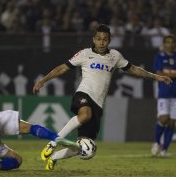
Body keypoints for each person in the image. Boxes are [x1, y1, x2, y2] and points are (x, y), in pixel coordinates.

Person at [32, 24, 172, 170]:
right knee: (85, 115)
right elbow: (62, 68)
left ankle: (54, 158)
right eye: (98, 39)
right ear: (93, 39)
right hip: (84, 94)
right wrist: (43, 80)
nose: (101, 42)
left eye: (105, 39)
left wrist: (157, 77)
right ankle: (53, 142)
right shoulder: (84, 54)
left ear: (109, 40)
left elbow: (135, 69)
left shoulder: (115, 56)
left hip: (98, 104)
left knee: (86, 149)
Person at [151, 34, 176, 157]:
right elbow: (159, 73)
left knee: (172, 122)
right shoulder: (159, 56)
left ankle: (164, 150)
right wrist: (172, 73)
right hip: (164, 93)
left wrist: (168, 72)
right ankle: (156, 142)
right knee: (163, 118)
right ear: (164, 44)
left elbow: (165, 72)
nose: (170, 44)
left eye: (172, 42)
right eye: (168, 42)